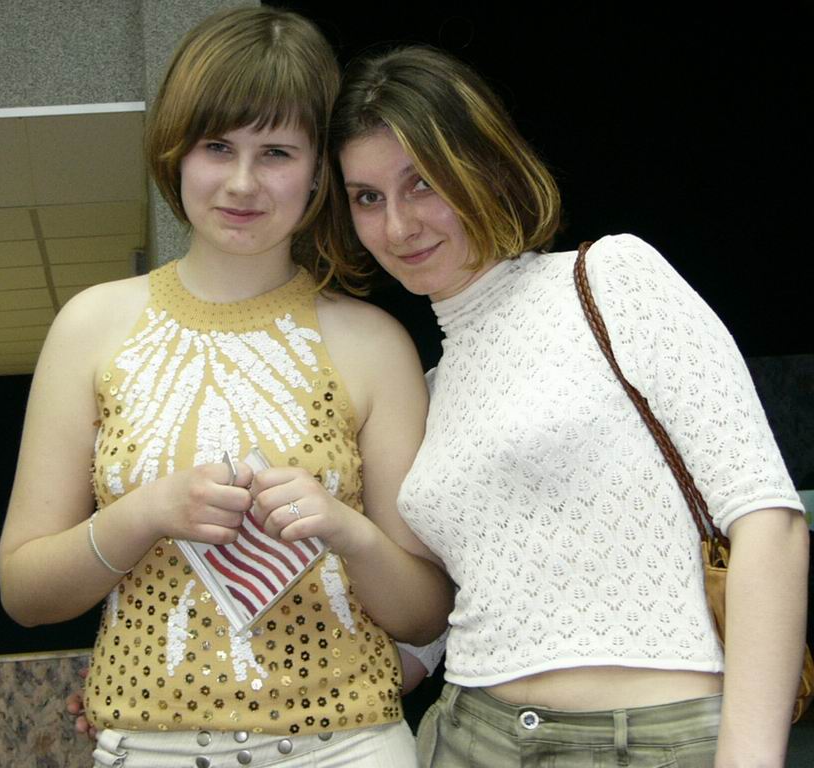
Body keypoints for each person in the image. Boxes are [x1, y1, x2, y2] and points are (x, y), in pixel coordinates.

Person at [319, 45, 809, 766]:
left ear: (484, 165)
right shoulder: (428, 388)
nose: (398, 226)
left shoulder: (609, 279)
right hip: (470, 735)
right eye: (368, 197)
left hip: (656, 738)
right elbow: (432, 626)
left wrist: (750, 757)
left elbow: (770, 520)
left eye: (422, 182)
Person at [0, 8, 451, 767]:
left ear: (318, 171)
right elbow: (25, 591)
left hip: (349, 747)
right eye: (217, 146)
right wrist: (143, 514)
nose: (242, 182)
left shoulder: (375, 345)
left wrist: (346, 530)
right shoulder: (91, 326)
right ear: (176, 154)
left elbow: (425, 611)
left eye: (276, 152)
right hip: (147, 747)